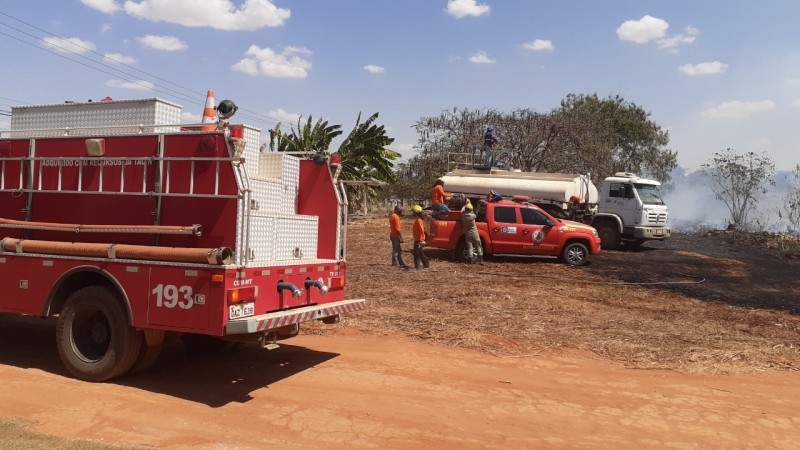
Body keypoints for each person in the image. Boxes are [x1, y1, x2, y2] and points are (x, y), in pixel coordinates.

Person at [411, 205, 430, 269]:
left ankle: (422, 265)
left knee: (418, 253)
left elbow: (422, 230)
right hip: (417, 240)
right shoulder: (418, 220)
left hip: (419, 240)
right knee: (418, 253)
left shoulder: (419, 220)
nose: (413, 213)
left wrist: (421, 240)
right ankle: (421, 265)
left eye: (413, 212)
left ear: (416, 213)